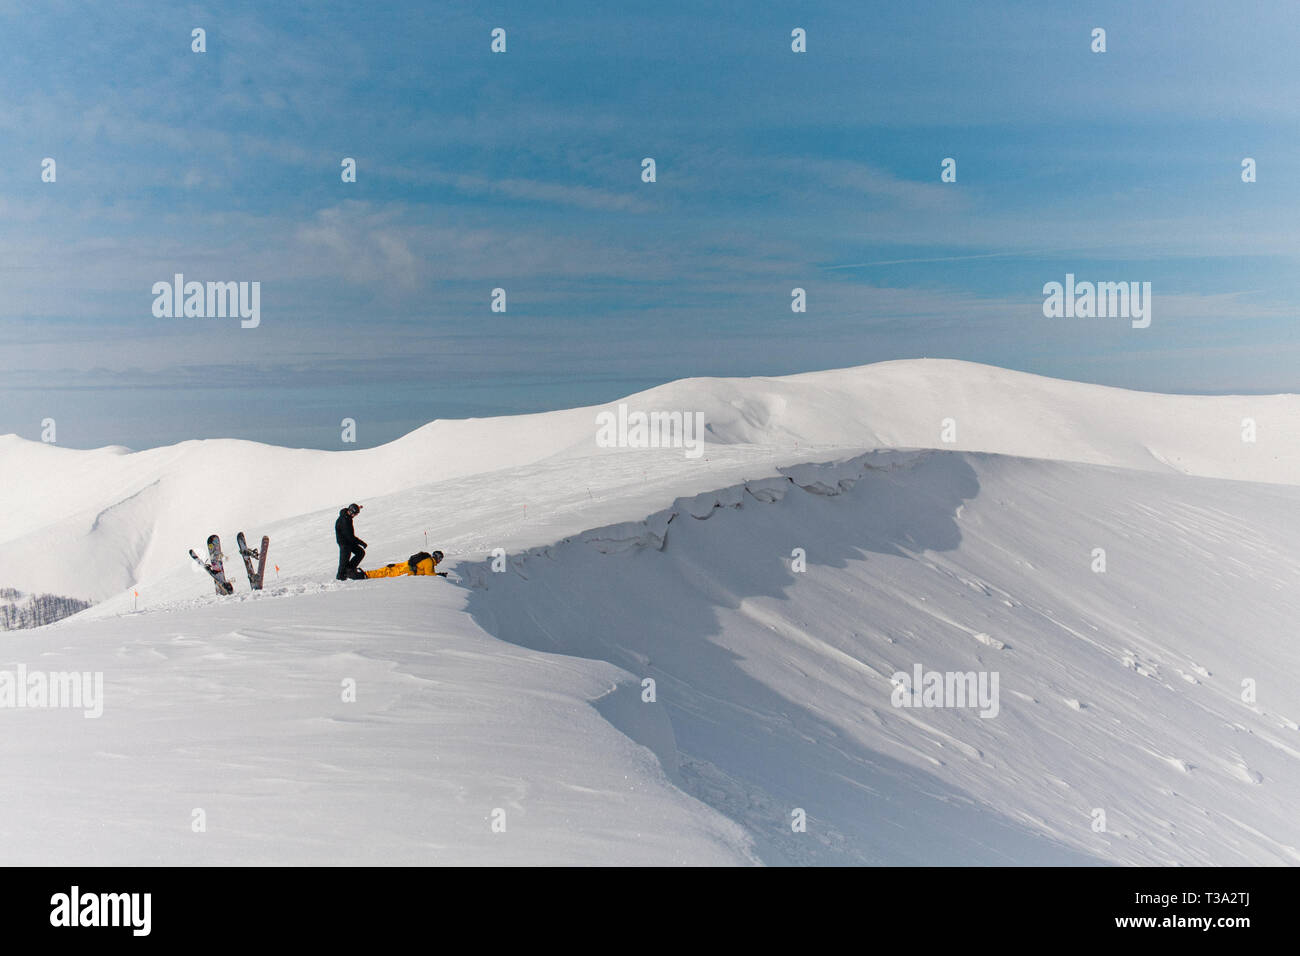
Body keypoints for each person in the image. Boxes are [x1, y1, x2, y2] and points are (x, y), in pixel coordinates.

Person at [335, 503, 367, 580]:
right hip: (344, 543)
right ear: (351, 512)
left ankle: (349, 570)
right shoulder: (345, 521)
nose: (356, 516)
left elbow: (353, 508)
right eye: (355, 514)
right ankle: (341, 577)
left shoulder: (347, 514)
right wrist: (361, 543)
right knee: (344, 559)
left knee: (360, 552)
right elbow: (351, 537)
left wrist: (359, 508)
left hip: (349, 541)